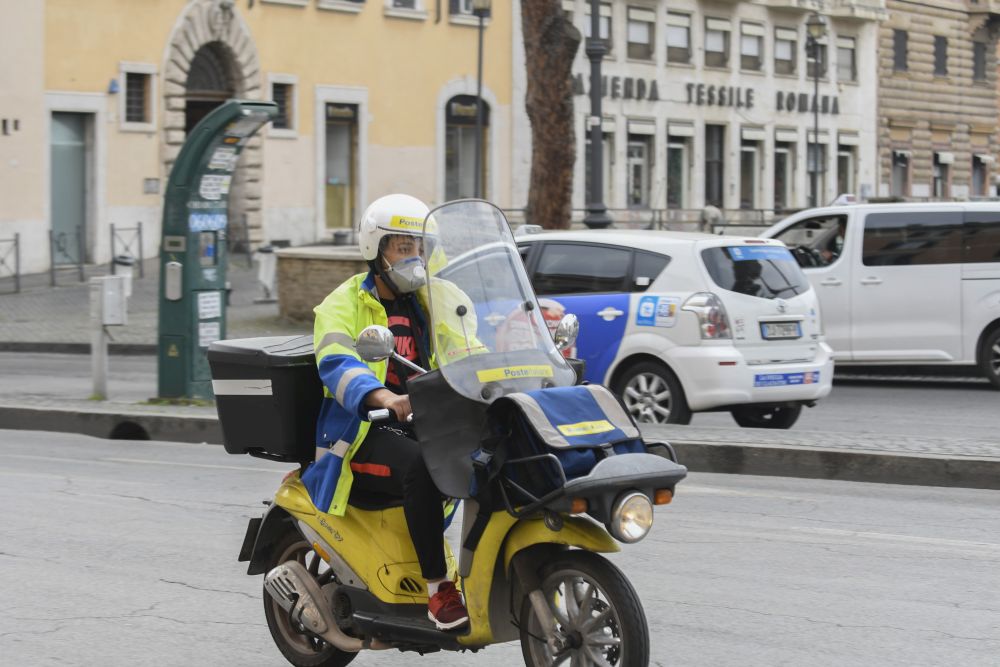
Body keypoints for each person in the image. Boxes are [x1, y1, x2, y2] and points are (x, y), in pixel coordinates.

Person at [300, 193, 470, 631]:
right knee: (424, 467)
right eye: (402, 247)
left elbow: (470, 350)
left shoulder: (437, 299)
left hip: (428, 419)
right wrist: (385, 398)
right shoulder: (344, 302)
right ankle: (438, 590)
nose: (414, 257)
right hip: (362, 430)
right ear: (377, 251)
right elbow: (336, 363)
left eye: (419, 248)